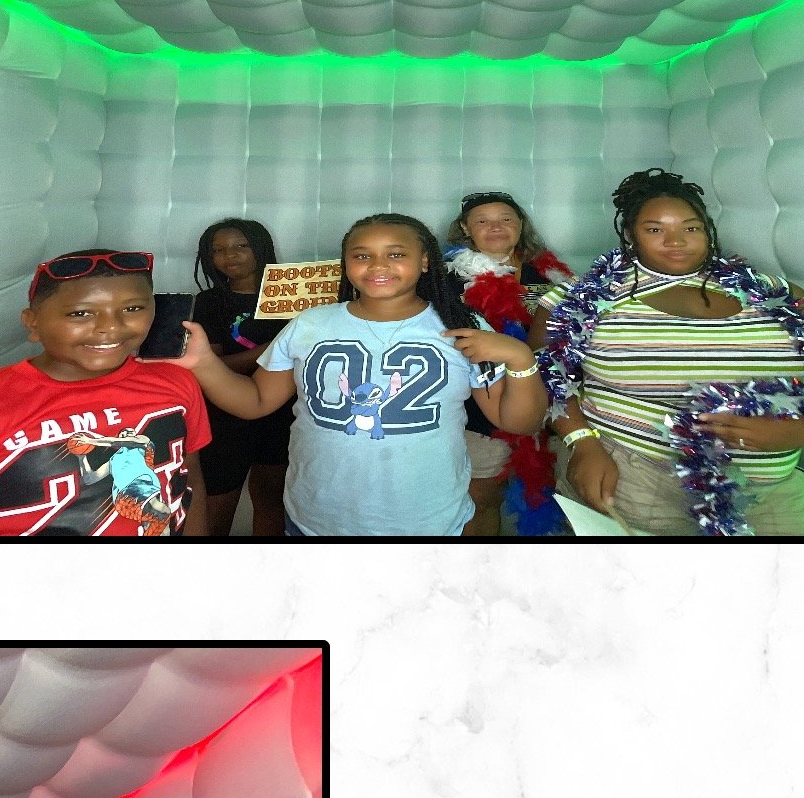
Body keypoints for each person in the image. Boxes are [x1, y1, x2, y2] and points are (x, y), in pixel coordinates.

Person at [540, 169, 804, 538]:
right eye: (655, 229)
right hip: (639, 481)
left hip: (773, 491)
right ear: (630, 235)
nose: (676, 241)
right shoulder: (582, 296)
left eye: (691, 228)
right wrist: (581, 441)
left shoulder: (775, 292)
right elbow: (543, 377)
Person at [177, 213, 549, 539]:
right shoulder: (311, 324)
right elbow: (255, 401)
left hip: (427, 522)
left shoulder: (462, 325)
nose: (377, 265)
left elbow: (519, 422)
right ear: (346, 264)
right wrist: (204, 362)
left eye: (396, 254)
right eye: (361, 255)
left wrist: (519, 358)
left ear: (424, 261)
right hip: (316, 519)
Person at [0, 249, 209, 539]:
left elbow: (188, 479)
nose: (110, 327)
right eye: (80, 314)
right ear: (33, 324)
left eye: (132, 308)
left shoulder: (176, 382)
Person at [442, 190, 575, 538]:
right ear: (465, 228)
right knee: (480, 497)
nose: (495, 227)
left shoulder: (549, 274)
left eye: (505, 219)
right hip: (483, 403)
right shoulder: (447, 278)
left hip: (551, 400)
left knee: (540, 493)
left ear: (520, 225)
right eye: (482, 221)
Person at [188, 219, 292, 539]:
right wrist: (272, 349)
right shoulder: (209, 302)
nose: (229, 256)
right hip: (224, 416)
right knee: (216, 507)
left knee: (272, 501)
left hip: (283, 414)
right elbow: (212, 367)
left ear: (261, 249)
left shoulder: (294, 297)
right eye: (218, 250)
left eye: (241, 246)